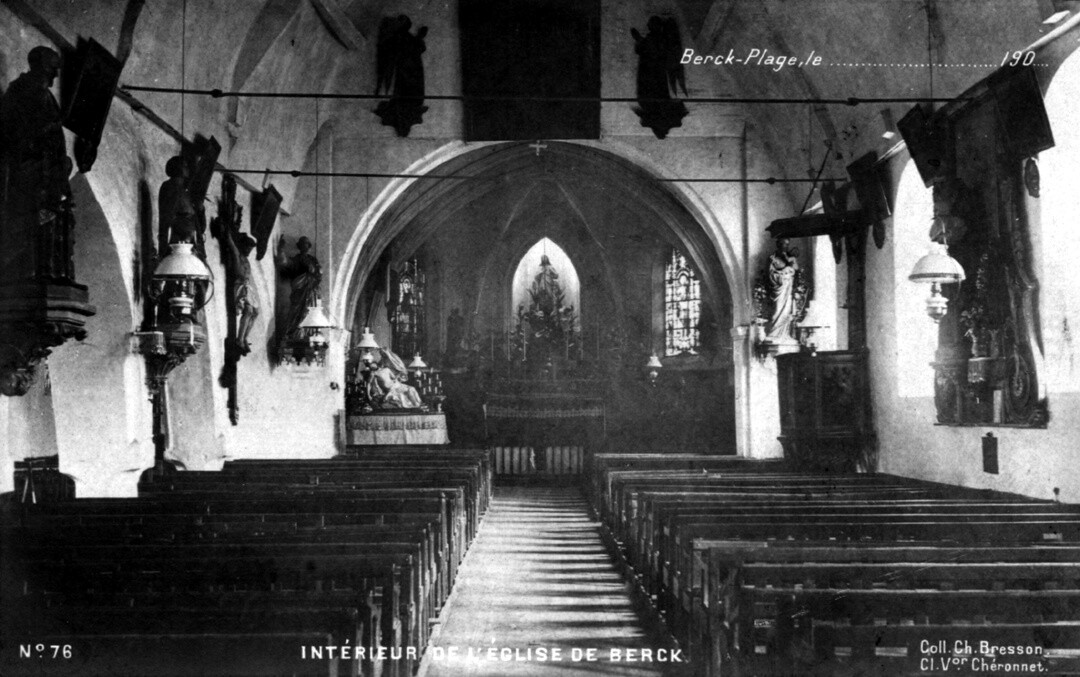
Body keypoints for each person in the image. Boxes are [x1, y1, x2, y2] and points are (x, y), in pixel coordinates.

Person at [0, 46, 74, 282]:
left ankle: (48, 269)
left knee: (50, 222)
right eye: (53, 67)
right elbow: (14, 136)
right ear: (41, 65)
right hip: (31, 173)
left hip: (48, 173)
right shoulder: (22, 91)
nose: (56, 74)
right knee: (32, 224)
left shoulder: (44, 94)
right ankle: (32, 270)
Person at [276, 235, 322, 346]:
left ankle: (308, 333)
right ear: (299, 246)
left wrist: (315, 274)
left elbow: (319, 274)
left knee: (309, 310)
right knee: (296, 310)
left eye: (306, 244)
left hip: (311, 291)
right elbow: (284, 262)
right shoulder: (296, 259)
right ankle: (294, 333)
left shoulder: (313, 260)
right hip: (299, 290)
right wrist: (281, 249)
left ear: (309, 246)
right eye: (302, 244)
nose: (304, 246)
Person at [765, 237, 800, 341]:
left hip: (788, 289)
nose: (785, 246)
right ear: (778, 244)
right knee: (777, 310)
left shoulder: (790, 258)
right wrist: (781, 276)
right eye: (783, 243)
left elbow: (796, 270)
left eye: (787, 244)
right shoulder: (772, 258)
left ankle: (785, 334)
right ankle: (774, 333)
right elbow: (769, 275)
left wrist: (790, 263)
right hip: (778, 289)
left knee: (787, 310)